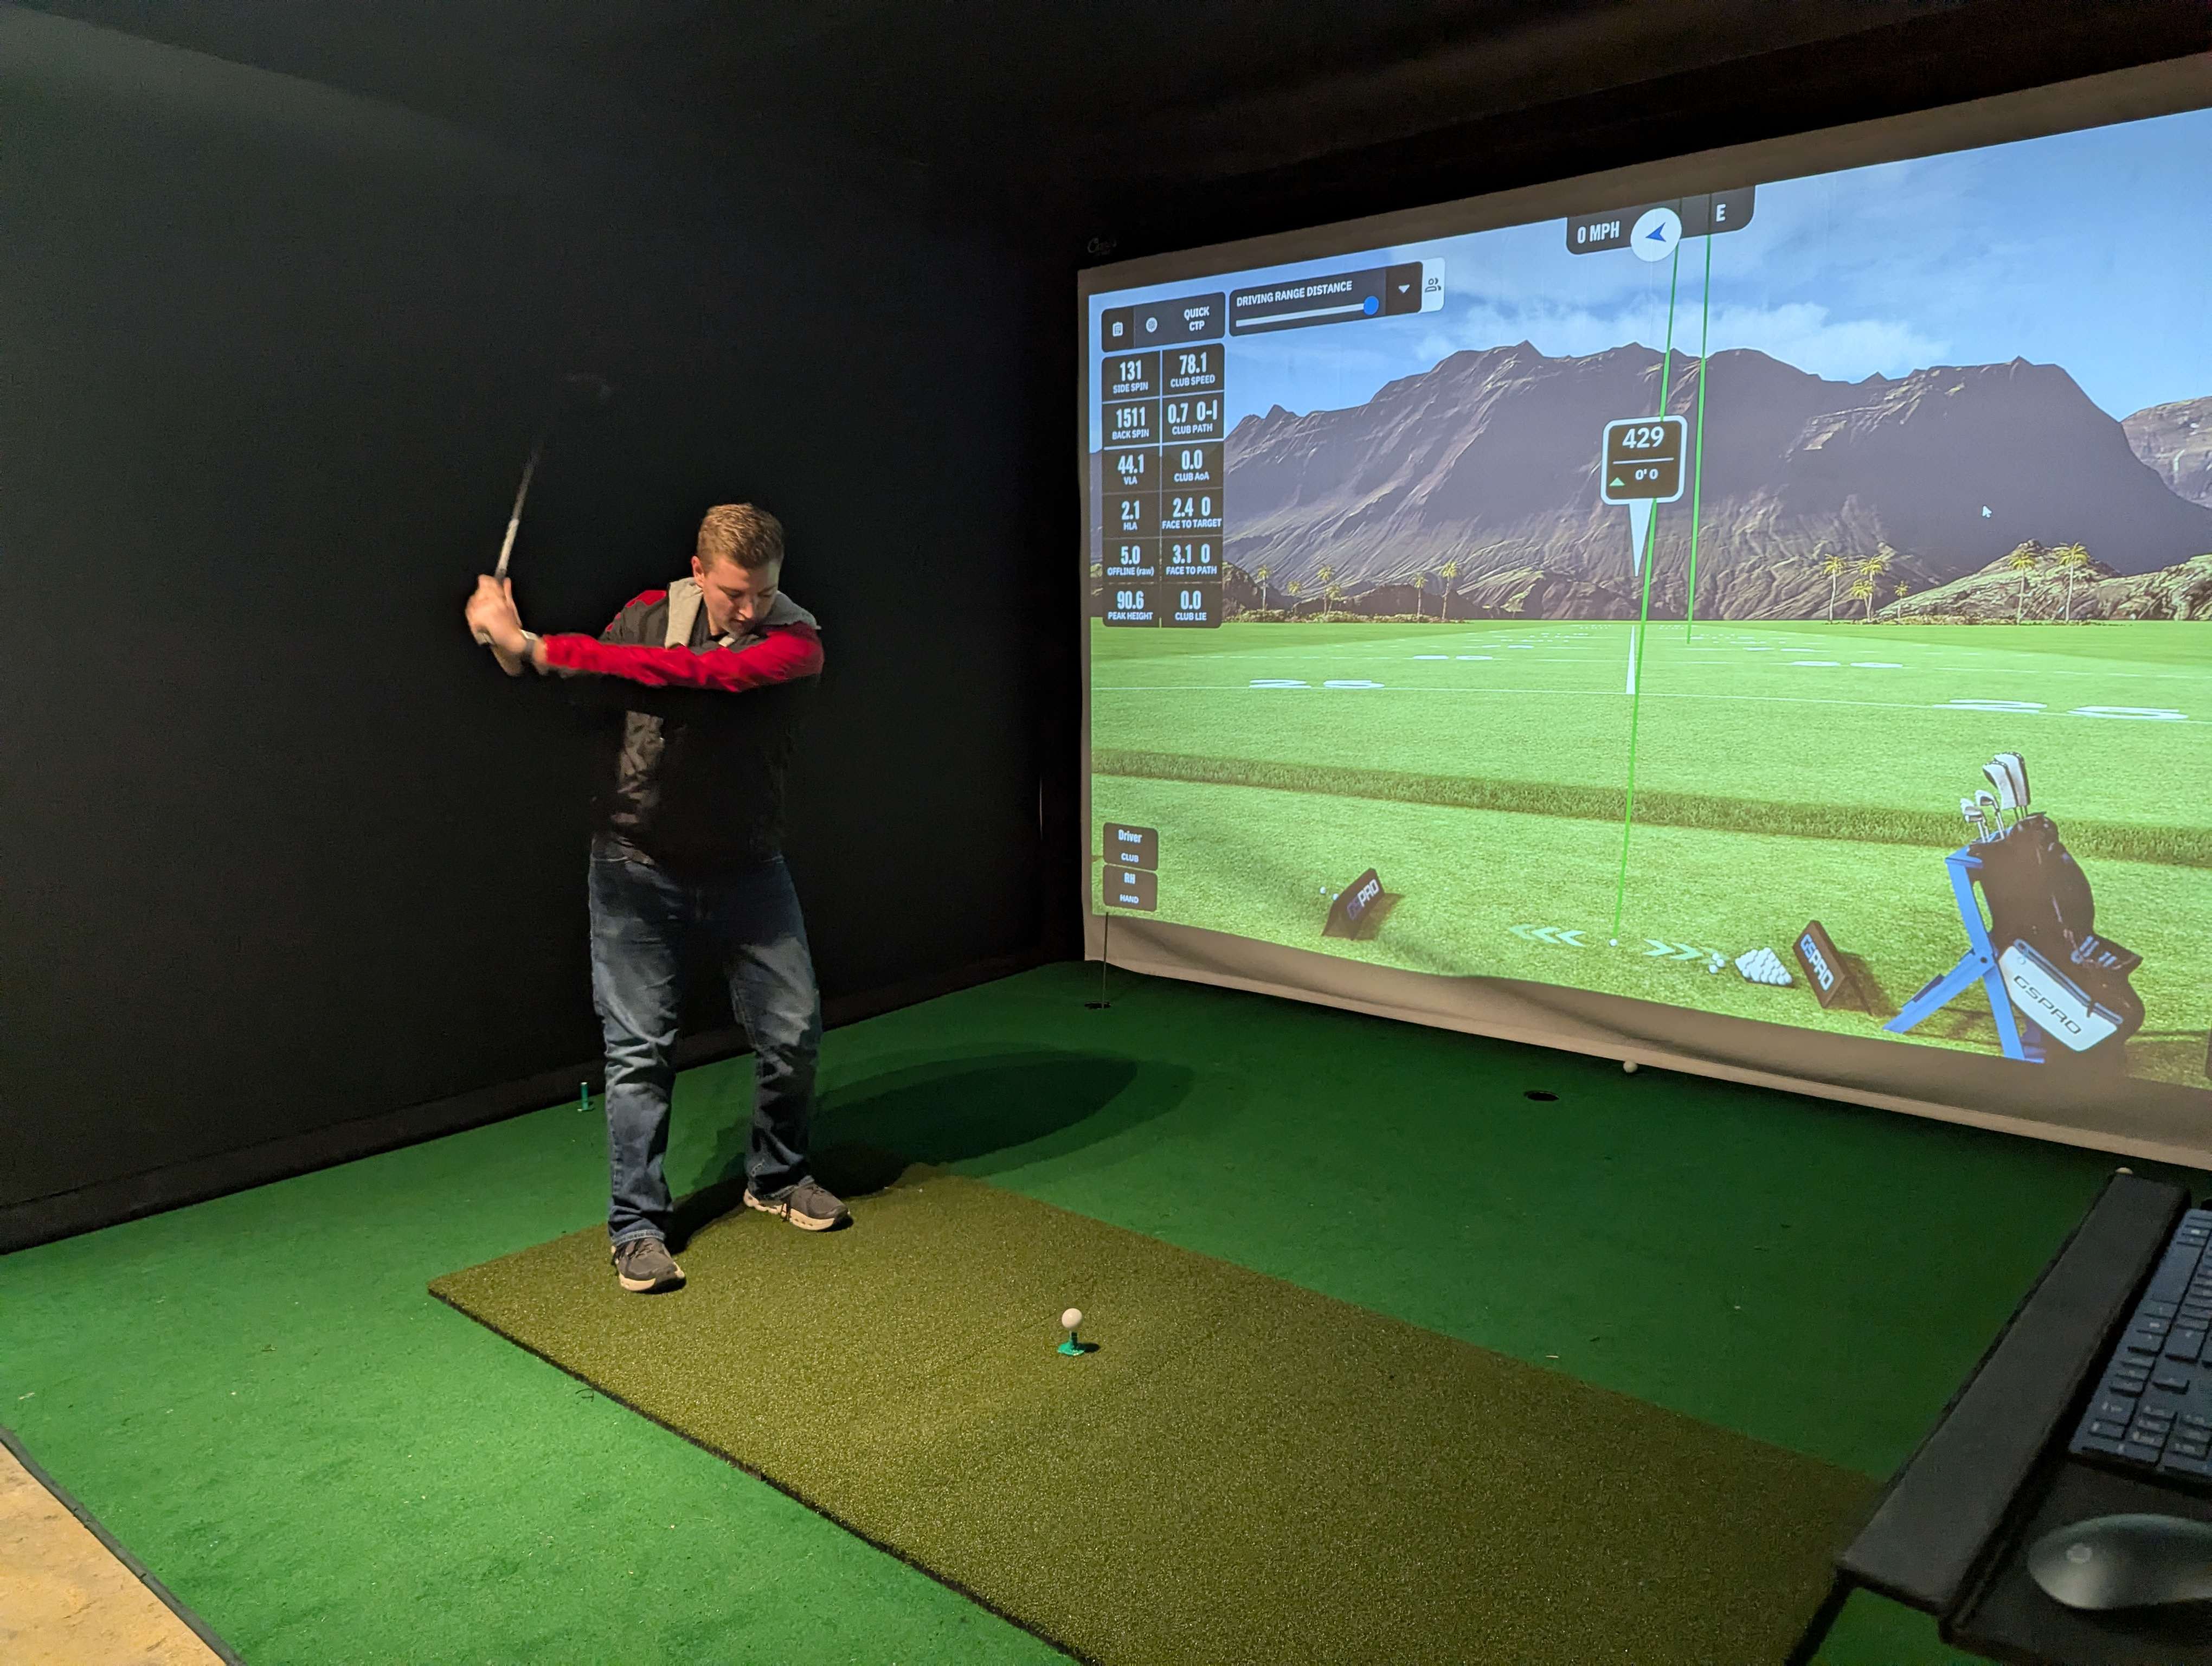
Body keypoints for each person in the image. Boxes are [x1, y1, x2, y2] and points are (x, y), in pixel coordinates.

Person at [463, 502, 847, 1295]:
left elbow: (698, 682)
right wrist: (507, 645)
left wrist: (534, 646)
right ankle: (636, 1226)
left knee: (794, 1031)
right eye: (735, 592)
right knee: (640, 1052)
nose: (750, 610)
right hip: (634, 861)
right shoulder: (643, 617)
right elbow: (585, 690)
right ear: (699, 572)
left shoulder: (796, 643)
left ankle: (775, 1178)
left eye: (764, 592)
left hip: (748, 866)